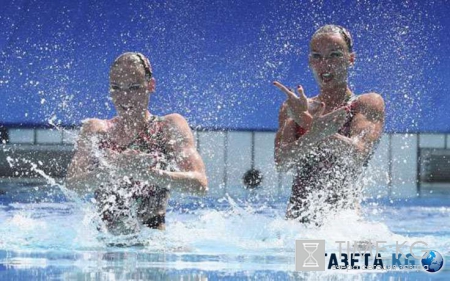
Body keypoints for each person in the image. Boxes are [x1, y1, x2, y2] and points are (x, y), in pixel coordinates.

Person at [66, 52, 208, 233]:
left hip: (153, 242)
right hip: (104, 243)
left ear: (151, 86)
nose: (124, 97)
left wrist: (148, 174)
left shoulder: (168, 127)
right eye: (116, 88)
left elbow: (200, 184)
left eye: (133, 87)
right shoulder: (96, 130)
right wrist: (114, 170)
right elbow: (72, 186)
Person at [273, 25, 385, 224]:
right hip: (298, 225)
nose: (325, 64)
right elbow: (282, 163)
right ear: (310, 62)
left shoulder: (366, 104)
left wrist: (308, 123)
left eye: (334, 55)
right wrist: (311, 133)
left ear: (350, 59)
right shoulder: (295, 107)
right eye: (317, 56)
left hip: (343, 224)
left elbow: (358, 154)